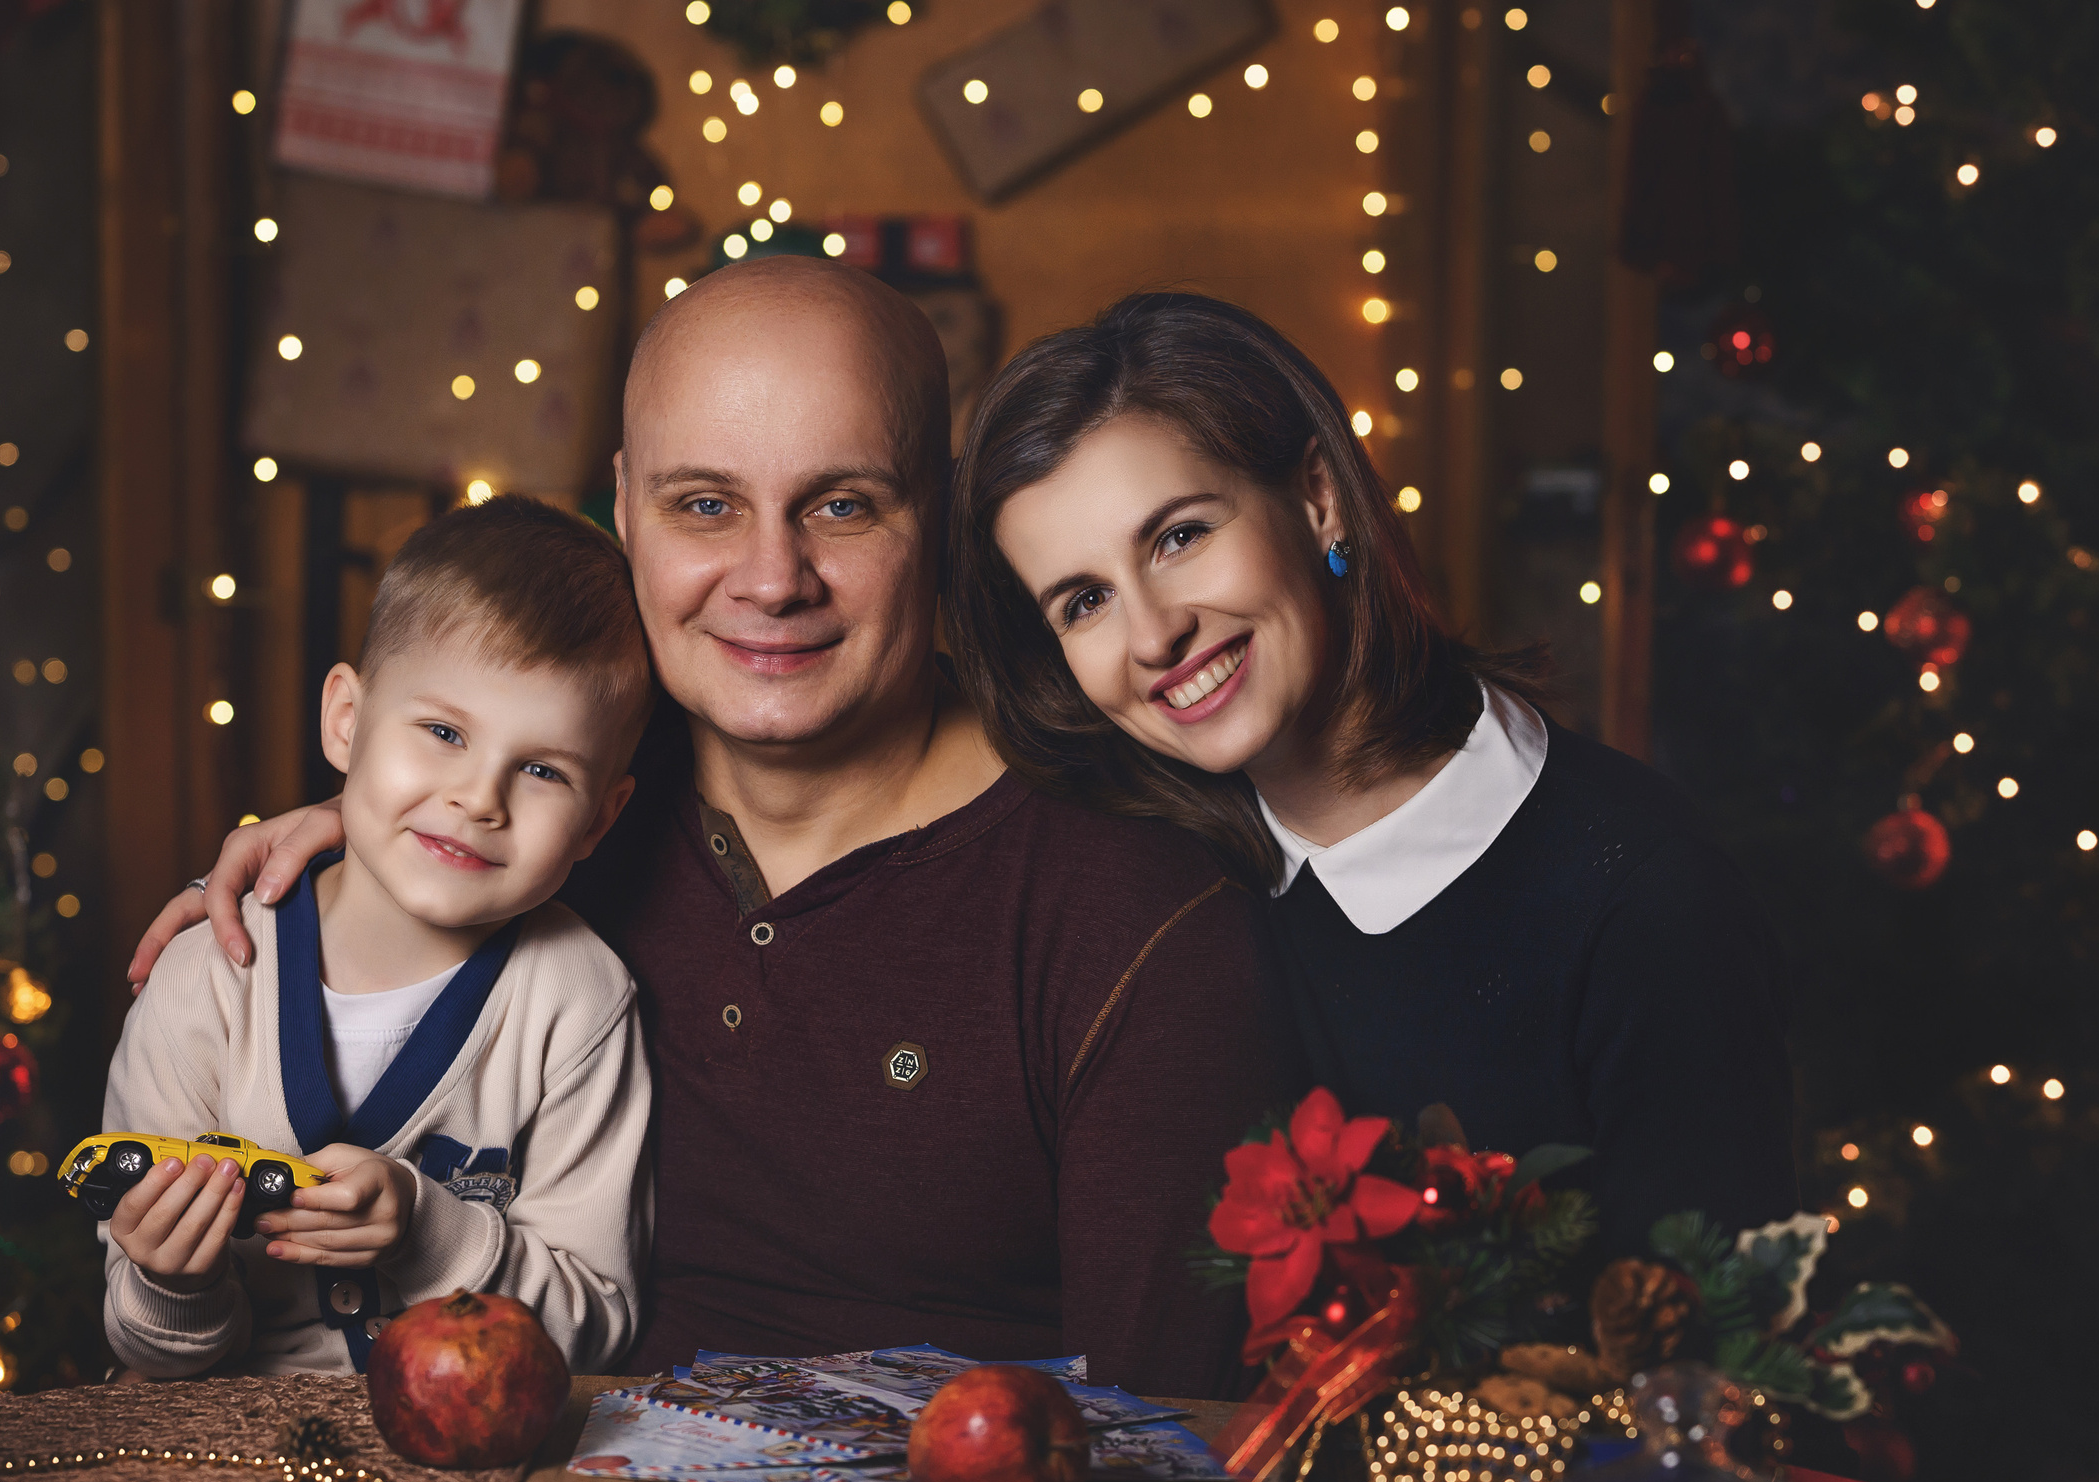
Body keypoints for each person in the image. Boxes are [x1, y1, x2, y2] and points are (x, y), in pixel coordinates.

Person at [127, 257, 1282, 1395]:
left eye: (842, 505)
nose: (772, 578)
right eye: (705, 505)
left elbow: (1183, 1442)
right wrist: (336, 849)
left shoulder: (1125, 912)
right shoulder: (544, 819)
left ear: (938, 514)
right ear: (624, 505)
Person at [948, 292, 1797, 1250]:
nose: (1153, 635)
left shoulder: (1641, 891)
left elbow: (1721, 1360)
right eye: (1084, 601)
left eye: (1180, 536)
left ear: (1318, 499)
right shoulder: (1144, 882)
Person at [99, 495, 654, 1378]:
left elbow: (599, 1325)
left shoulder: (577, 999)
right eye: (442, 732)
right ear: (346, 721)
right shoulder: (205, 979)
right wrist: (170, 1283)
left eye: (544, 769)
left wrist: (433, 1235)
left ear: (599, 822)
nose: (480, 798)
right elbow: (154, 1357)